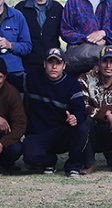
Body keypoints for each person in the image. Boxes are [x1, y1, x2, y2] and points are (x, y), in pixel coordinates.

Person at [20, 48, 88, 178]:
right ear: (44, 64)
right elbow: (8, 79)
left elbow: (81, 110)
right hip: (39, 133)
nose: (54, 66)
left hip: (61, 132)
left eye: (58, 63)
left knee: (82, 128)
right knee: (29, 156)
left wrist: (75, 118)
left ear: (64, 65)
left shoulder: (72, 84)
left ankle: (73, 166)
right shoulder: (32, 78)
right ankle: (49, 162)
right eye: (50, 62)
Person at [15, 0, 63, 71]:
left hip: (52, 65)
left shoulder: (57, 8)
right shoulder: (20, 9)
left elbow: (64, 33)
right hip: (28, 64)